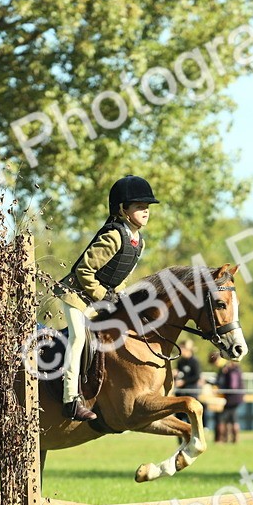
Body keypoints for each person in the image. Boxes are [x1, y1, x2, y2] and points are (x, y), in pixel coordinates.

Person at [53, 174, 158, 421]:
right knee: (78, 338)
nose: (145, 211)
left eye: (147, 207)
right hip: (76, 294)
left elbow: (118, 274)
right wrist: (105, 296)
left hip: (98, 297)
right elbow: (83, 271)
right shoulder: (112, 236)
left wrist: (122, 297)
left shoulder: (138, 242)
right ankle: (70, 399)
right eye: (139, 207)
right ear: (123, 209)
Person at [216, 354, 245, 444]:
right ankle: (234, 440)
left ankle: (222, 439)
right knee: (233, 420)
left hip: (230, 398)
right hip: (236, 398)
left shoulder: (232, 371)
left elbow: (233, 385)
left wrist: (222, 387)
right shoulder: (237, 370)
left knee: (223, 419)